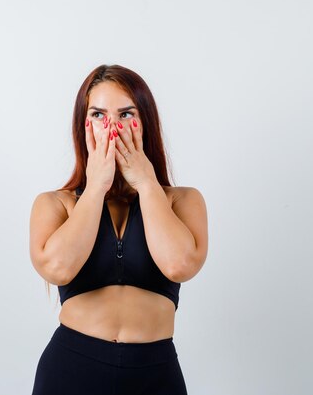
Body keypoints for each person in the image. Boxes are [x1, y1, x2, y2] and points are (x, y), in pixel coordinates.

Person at [29, 64, 208, 394]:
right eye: (98, 114)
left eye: (126, 114)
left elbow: (179, 264)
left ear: (145, 123)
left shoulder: (182, 201)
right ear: (83, 125)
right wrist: (96, 185)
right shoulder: (56, 204)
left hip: (155, 374)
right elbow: (58, 268)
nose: (112, 127)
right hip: (71, 370)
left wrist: (145, 182)